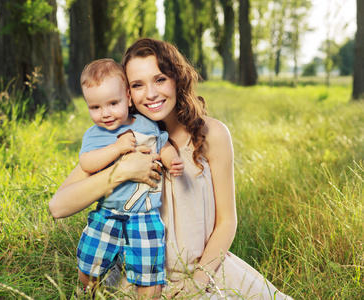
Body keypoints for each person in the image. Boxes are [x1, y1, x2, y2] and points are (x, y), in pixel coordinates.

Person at [49, 39, 293, 299]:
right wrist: (121, 171)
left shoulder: (212, 134)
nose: (151, 93)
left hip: (205, 270)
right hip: (140, 276)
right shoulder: (117, 138)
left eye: (160, 79)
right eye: (138, 85)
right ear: (127, 94)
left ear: (177, 79)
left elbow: (227, 221)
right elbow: (59, 206)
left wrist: (199, 280)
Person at [74, 58, 184, 298]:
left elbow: (162, 145)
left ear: (128, 97)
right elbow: (87, 163)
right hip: (107, 214)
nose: (105, 113)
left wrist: (171, 159)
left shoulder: (146, 124)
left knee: (149, 272)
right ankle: (85, 291)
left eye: (113, 103)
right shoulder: (95, 135)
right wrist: (117, 148)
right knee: (89, 265)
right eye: (95, 107)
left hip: (145, 216)